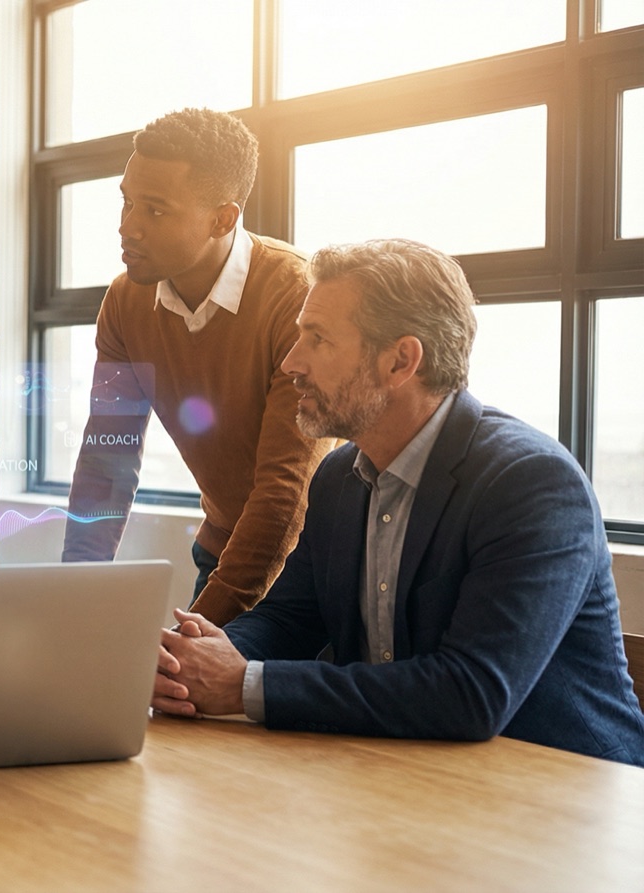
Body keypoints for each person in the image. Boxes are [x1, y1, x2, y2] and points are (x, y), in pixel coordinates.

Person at [152, 238, 644, 766]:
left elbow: (470, 693)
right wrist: (195, 657)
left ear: (401, 361)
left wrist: (245, 684)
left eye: (317, 339)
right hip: (412, 770)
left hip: (573, 797)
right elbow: (291, 618)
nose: (292, 361)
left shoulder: (532, 483)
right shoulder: (339, 476)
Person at [64, 108, 330, 626]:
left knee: (183, 685)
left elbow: (284, 494)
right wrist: (76, 594)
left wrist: (184, 639)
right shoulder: (124, 302)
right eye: (127, 202)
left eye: (155, 211)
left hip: (315, 563)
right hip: (223, 547)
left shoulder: (294, 295)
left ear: (222, 219)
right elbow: (107, 461)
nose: (127, 227)